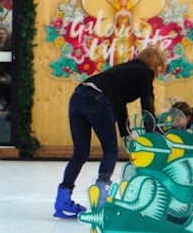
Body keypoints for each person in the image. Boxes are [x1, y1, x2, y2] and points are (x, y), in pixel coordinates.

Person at [53, 46, 167, 219]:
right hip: (97, 99)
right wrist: (154, 134)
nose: (159, 71)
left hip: (77, 96)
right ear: (154, 63)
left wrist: (125, 133)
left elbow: (120, 102)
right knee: (111, 151)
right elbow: (147, 104)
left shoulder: (124, 71)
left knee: (80, 153)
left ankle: (62, 200)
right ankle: (101, 200)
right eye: (160, 66)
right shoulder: (144, 72)